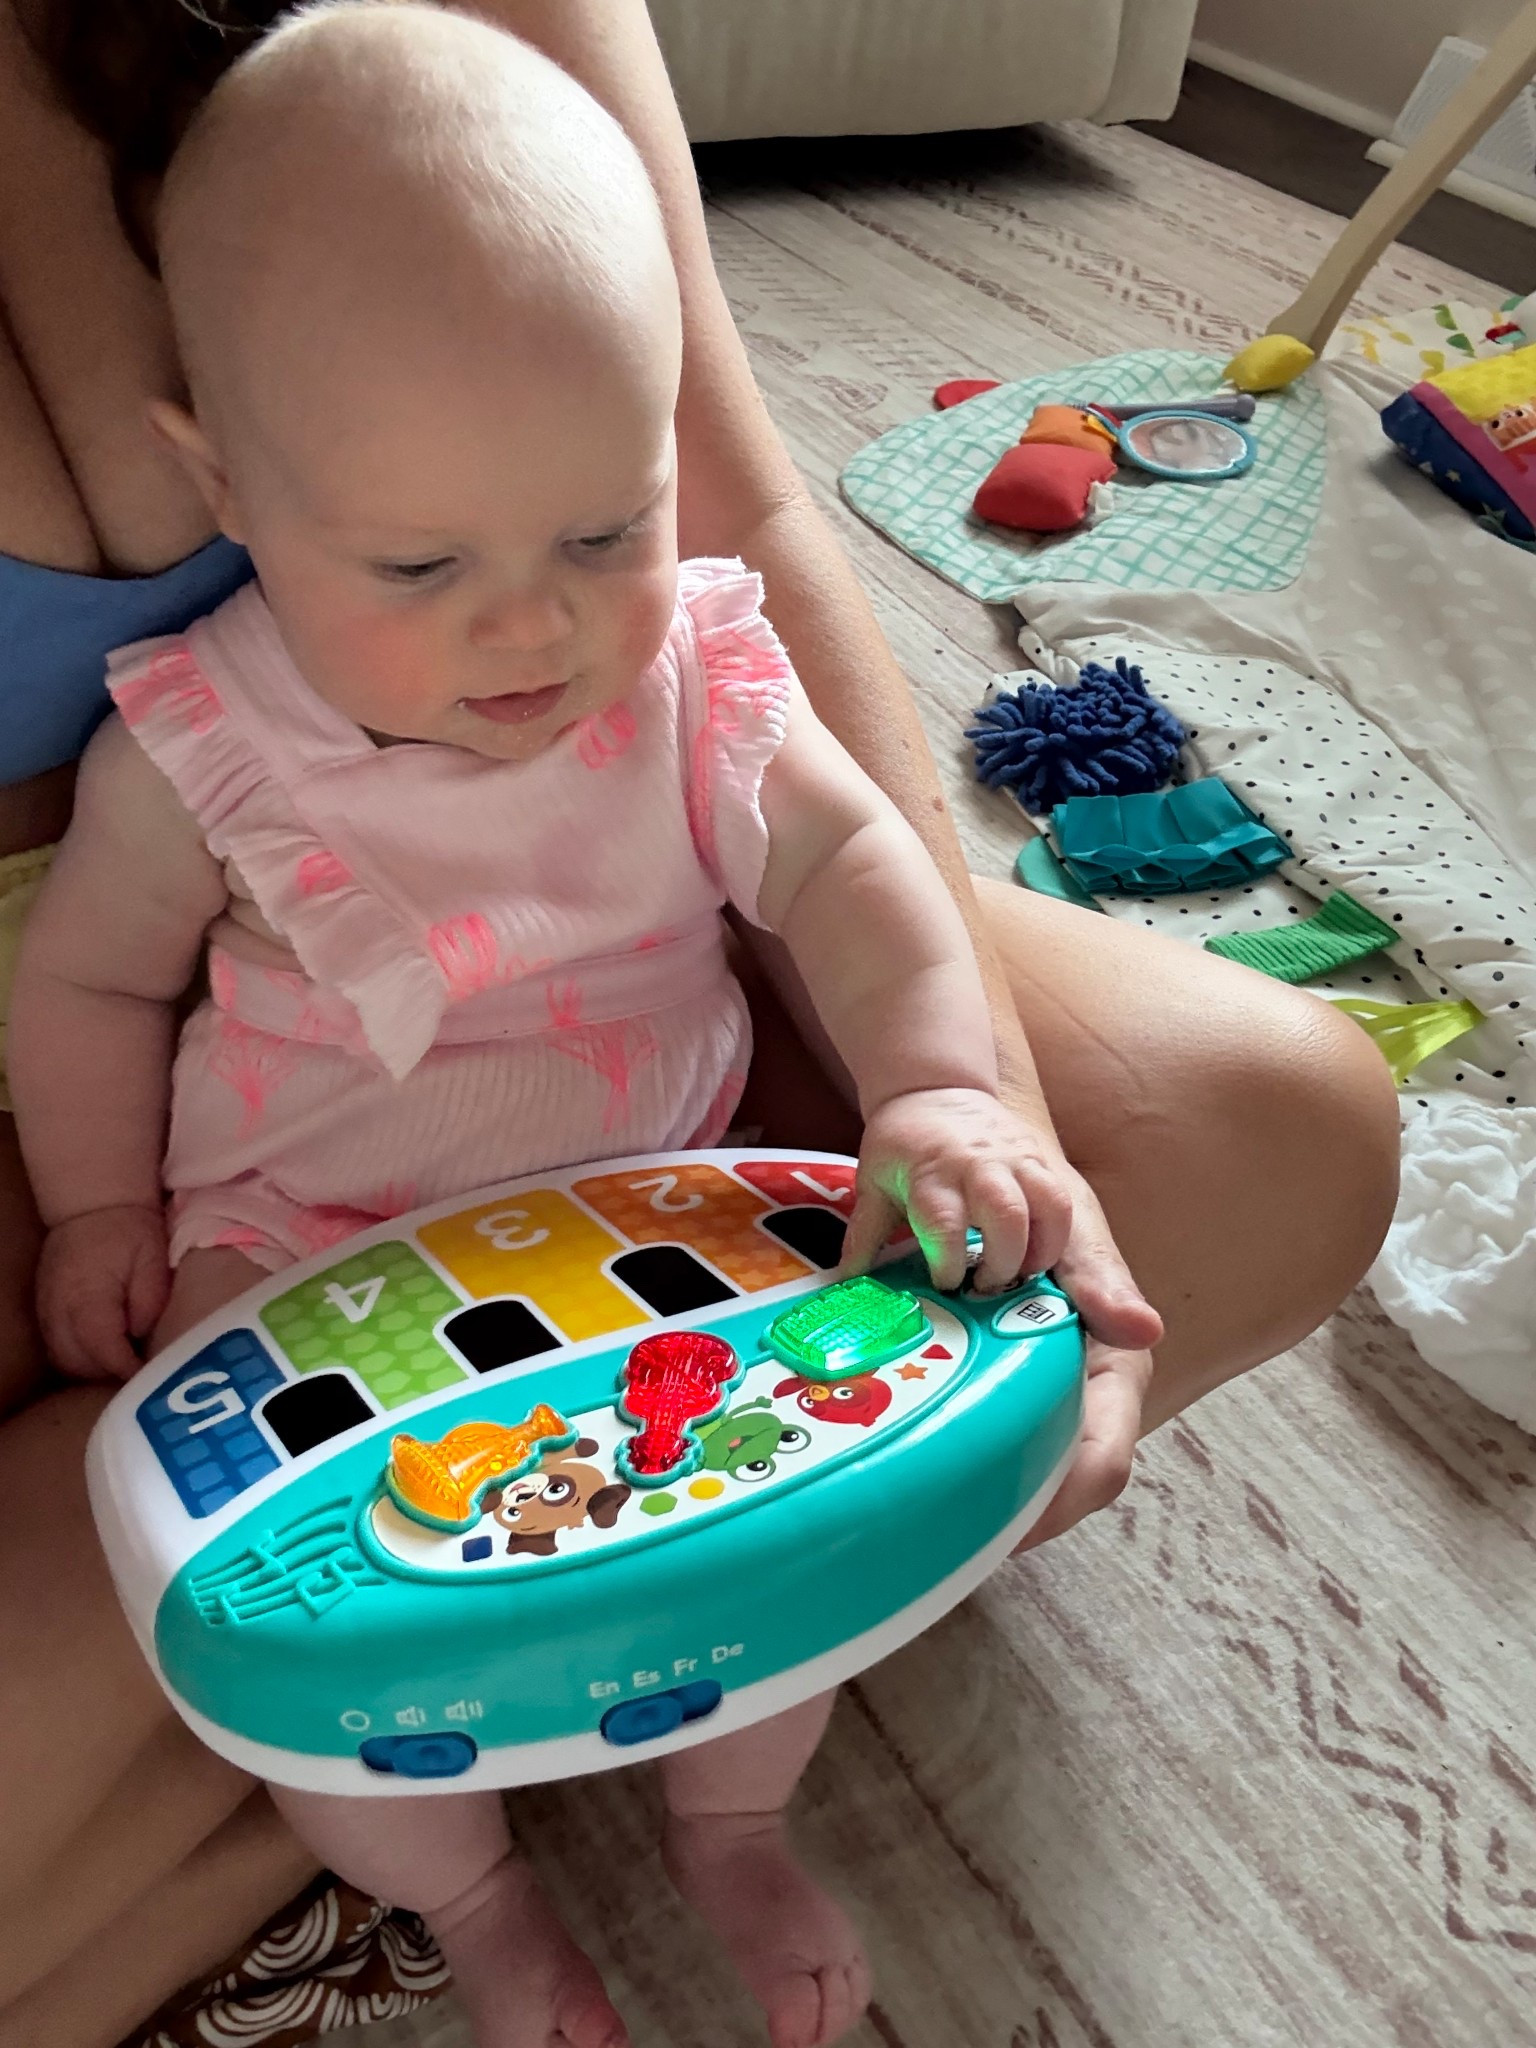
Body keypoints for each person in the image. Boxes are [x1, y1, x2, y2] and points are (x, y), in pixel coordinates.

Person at [0, 0, 1400, 2042]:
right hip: (294, 1261)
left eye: (602, 527)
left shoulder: (681, 677)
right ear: (230, 480)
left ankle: (723, 1809)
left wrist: (949, 1096)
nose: (534, 628)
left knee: (867, 1453)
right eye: (420, 563)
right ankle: (465, 1887)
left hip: (673, 1204)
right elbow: (99, 982)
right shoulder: (206, 744)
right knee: (254, 1596)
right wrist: (97, 1214)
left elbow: (843, 862)